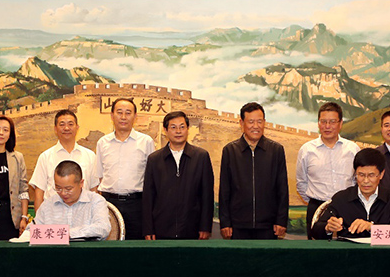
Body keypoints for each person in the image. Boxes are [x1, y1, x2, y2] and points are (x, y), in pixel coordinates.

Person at [219, 102, 289, 240]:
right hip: (238, 225)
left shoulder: (276, 150)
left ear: (264, 123)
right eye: (251, 122)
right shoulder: (230, 151)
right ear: (241, 123)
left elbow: (282, 188)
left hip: (268, 226)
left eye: (259, 121)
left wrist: (281, 220)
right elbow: (225, 189)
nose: (255, 126)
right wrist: (225, 222)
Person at [142, 111, 214, 240]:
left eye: (182, 127)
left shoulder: (201, 157)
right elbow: (148, 196)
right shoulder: (155, 159)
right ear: (166, 130)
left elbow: (207, 195)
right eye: (173, 127)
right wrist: (148, 228)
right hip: (161, 229)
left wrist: (205, 226)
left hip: (192, 228)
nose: (178, 131)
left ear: (187, 129)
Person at [296, 102, 360, 238]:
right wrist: (317, 202)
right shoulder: (307, 150)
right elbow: (301, 183)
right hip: (317, 209)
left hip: (347, 208)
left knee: (349, 251)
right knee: (317, 254)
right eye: (323, 121)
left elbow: (357, 181)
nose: (327, 126)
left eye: (332, 122)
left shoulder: (352, 149)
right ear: (318, 124)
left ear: (340, 123)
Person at [311, 148, 390, 239]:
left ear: (381, 174)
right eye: (361, 175)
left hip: (383, 253)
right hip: (348, 253)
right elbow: (315, 231)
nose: (366, 181)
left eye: (371, 175)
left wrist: (372, 228)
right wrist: (328, 228)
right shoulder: (341, 198)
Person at [96, 98, 155, 240]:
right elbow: (99, 176)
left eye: (128, 113)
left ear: (135, 117)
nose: (123, 117)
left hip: (137, 205)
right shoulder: (102, 143)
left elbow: (152, 178)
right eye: (119, 112)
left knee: (136, 249)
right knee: (109, 250)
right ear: (112, 115)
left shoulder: (146, 142)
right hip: (109, 203)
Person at [29, 109, 99, 210]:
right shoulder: (45, 157)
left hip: (83, 215)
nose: (66, 128)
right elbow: (39, 193)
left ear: (77, 127)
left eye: (70, 124)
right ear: (55, 129)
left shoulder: (90, 156)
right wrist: (40, 221)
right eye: (62, 124)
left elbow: (94, 190)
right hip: (53, 216)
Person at [34, 160, 111, 240]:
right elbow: (32, 230)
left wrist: (65, 233)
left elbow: (102, 228)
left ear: (81, 183)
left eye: (68, 189)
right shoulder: (47, 204)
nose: (63, 193)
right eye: (58, 188)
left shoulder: (96, 201)